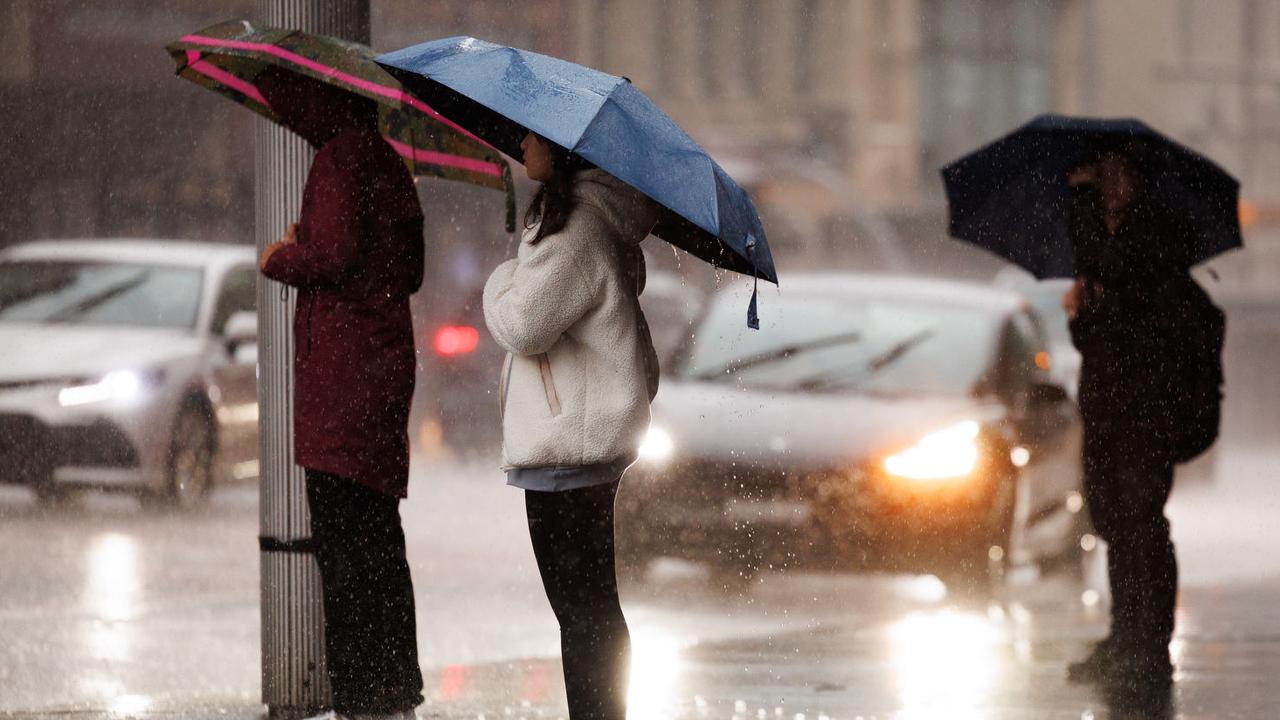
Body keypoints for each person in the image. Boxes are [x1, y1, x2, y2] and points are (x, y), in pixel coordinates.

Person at [256, 69, 425, 720]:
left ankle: (360, 693)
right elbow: (406, 268)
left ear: (318, 99)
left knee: (344, 540)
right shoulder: (386, 161)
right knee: (377, 535)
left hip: (340, 380)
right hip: (382, 372)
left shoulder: (338, 156)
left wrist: (280, 254)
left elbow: (331, 258)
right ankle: (391, 687)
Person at [483, 131, 661, 720]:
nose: (522, 144)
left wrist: (501, 280)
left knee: (583, 608)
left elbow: (522, 324)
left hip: (569, 450)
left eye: (533, 137)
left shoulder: (579, 229)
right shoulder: (586, 222)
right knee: (588, 607)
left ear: (562, 149)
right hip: (574, 444)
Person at [1063, 149, 1224, 692]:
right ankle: (1125, 637)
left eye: (1115, 175)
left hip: (1146, 408)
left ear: (1136, 180)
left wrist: (1099, 303)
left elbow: (1139, 321)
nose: (1107, 187)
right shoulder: (1104, 247)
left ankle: (1147, 646)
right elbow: (1100, 339)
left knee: (1140, 526)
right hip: (1109, 405)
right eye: (1099, 176)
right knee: (1113, 523)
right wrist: (1083, 314)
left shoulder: (1152, 243)